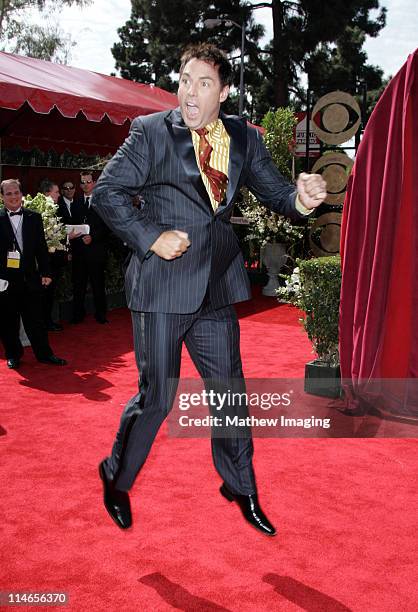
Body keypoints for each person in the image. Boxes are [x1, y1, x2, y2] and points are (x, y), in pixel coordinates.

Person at [92, 44, 327, 535]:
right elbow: (106, 193)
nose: (189, 92)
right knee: (158, 397)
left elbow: (277, 193)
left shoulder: (243, 136)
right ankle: (116, 476)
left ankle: (240, 486)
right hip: (161, 290)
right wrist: (150, 236)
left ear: (224, 91)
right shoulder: (150, 133)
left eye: (202, 83)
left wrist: (301, 201)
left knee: (230, 395)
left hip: (216, 288)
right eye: (183, 79)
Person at [0, 179, 67, 369]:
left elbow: (41, 248)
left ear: (21, 194)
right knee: (8, 322)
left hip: (30, 278)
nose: (13, 197)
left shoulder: (34, 217)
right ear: (2, 197)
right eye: (9, 193)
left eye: (16, 192)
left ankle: (45, 354)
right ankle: (13, 355)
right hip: (6, 281)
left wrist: (46, 271)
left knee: (36, 321)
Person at [70, 171, 109, 324]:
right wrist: (79, 238)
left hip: (96, 251)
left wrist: (93, 237)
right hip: (80, 251)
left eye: (88, 182)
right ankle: (78, 315)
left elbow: (107, 227)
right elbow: (72, 225)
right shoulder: (76, 203)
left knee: (98, 284)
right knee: (78, 285)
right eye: (83, 183)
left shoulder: (102, 202)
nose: (85, 185)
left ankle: (101, 314)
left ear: (94, 183)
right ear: (80, 185)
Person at [39, 179, 66, 331]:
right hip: (46, 262)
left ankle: (47, 321)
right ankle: (45, 323)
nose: (59, 195)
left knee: (50, 294)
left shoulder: (56, 209)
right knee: (45, 294)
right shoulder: (41, 212)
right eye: (56, 192)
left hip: (55, 260)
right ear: (47, 193)